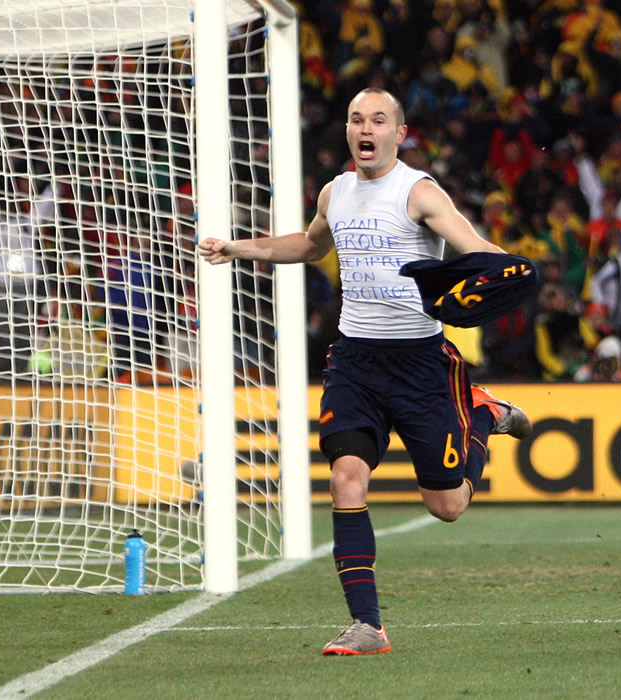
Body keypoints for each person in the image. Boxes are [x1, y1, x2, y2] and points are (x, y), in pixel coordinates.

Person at [198, 89, 532, 656]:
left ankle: (482, 412)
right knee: (346, 476)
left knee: (446, 505)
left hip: (422, 364)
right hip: (355, 360)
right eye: (356, 119)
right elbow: (308, 245)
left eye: (379, 119)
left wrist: (506, 269)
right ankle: (367, 626)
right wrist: (238, 246)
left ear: (400, 133)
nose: (365, 127)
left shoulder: (418, 191)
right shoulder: (336, 192)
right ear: (348, 131)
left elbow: (473, 246)